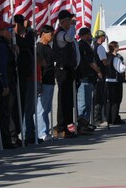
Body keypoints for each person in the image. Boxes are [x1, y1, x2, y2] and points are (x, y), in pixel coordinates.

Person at [0, 20, 18, 148]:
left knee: (7, 112)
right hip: (4, 84)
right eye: (9, 30)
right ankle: (1, 139)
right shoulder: (1, 47)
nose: (11, 32)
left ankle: (5, 138)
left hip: (9, 82)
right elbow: (2, 67)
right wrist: (5, 85)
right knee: (2, 112)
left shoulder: (6, 45)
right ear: (1, 32)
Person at [53, 10, 79, 138]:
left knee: (68, 100)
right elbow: (69, 38)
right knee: (63, 100)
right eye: (69, 21)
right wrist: (73, 26)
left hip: (69, 70)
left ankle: (68, 127)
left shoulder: (66, 33)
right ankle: (61, 127)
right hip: (62, 70)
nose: (71, 23)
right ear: (63, 22)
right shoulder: (60, 34)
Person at [14, 14, 36, 144]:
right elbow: (25, 43)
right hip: (18, 77)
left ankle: (23, 133)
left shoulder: (22, 38)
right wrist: (28, 32)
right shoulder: (15, 39)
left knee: (25, 107)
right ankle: (15, 134)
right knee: (18, 107)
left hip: (26, 76)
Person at [76, 27, 100, 133]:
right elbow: (90, 61)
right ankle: (81, 124)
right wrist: (98, 71)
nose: (90, 36)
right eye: (89, 34)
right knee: (83, 103)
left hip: (89, 77)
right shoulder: (82, 45)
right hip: (84, 77)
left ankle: (86, 122)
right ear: (84, 35)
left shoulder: (86, 45)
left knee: (88, 102)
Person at [35, 25, 55, 141]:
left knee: (46, 108)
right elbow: (39, 66)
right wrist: (40, 81)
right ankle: (41, 133)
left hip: (51, 80)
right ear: (43, 34)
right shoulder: (39, 48)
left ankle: (45, 131)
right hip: (44, 81)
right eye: (50, 34)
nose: (52, 36)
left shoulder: (49, 48)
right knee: (41, 109)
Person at [105, 41, 126, 125]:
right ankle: (114, 118)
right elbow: (121, 69)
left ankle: (108, 118)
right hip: (115, 81)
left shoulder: (106, 56)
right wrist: (124, 65)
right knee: (116, 100)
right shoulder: (116, 58)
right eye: (117, 46)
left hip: (107, 80)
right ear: (115, 47)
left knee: (109, 100)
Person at [92, 30, 109, 125]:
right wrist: (108, 65)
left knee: (96, 95)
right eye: (104, 37)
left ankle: (96, 117)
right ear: (101, 37)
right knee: (100, 95)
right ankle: (97, 118)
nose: (105, 38)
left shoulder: (93, 46)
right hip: (100, 73)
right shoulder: (100, 48)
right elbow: (104, 61)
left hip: (95, 73)